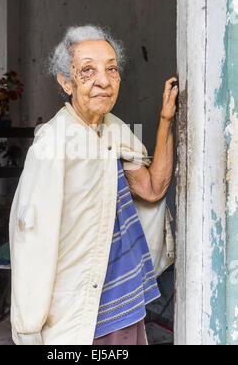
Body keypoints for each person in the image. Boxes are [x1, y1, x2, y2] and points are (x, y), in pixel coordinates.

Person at [9, 25, 178, 345]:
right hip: (82, 314)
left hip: (126, 299)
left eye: (111, 68)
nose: (103, 80)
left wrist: (166, 120)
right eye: (87, 70)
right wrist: (28, 325)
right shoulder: (53, 145)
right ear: (65, 82)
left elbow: (153, 189)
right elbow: (31, 238)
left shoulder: (115, 131)